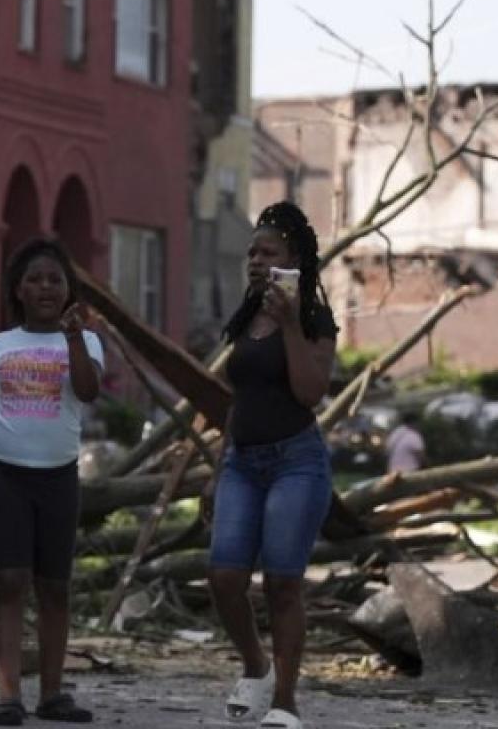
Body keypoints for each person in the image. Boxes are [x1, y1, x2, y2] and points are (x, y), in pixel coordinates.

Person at [0, 238, 107, 726]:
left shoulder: (86, 341)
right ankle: (8, 693)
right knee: (9, 581)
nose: (44, 287)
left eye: (54, 280)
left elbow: (88, 390)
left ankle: (52, 694)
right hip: (5, 477)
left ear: (68, 290)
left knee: (54, 587)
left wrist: (75, 337)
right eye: (34, 279)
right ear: (17, 289)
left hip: (58, 479)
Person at [205, 203, 340, 729]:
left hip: (296, 462)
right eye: (252, 253)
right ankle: (256, 666)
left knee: (283, 584)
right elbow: (240, 398)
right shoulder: (244, 315)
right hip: (243, 461)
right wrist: (220, 466)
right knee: (223, 577)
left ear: (295, 262)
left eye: (269, 253)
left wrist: (288, 324)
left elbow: (309, 393)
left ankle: (285, 701)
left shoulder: (313, 318)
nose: (257, 261)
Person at [383, 410, 427, 474]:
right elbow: (420, 455)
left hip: (393, 473)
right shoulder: (413, 435)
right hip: (409, 472)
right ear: (414, 422)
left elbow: (386, 451)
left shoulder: (395, 432)